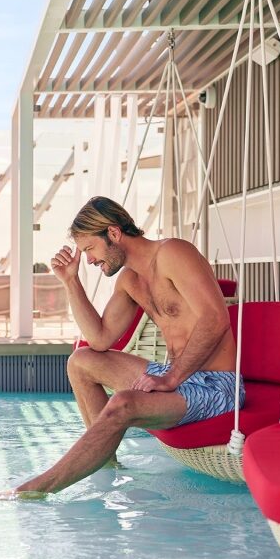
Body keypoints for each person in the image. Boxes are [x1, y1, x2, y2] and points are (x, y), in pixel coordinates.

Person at [16, 196, 239, 494]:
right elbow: (99, 339)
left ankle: (35, 489)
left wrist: (171, 378)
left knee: (122, 403)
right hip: (176, 378)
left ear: (113, 233)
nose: (90, 260)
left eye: (90, 249)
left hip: (217, 386)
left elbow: (215, 319)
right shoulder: (129, 279)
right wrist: (71, 281)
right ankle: (105, 466)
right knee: (81, 362)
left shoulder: (174, 252)